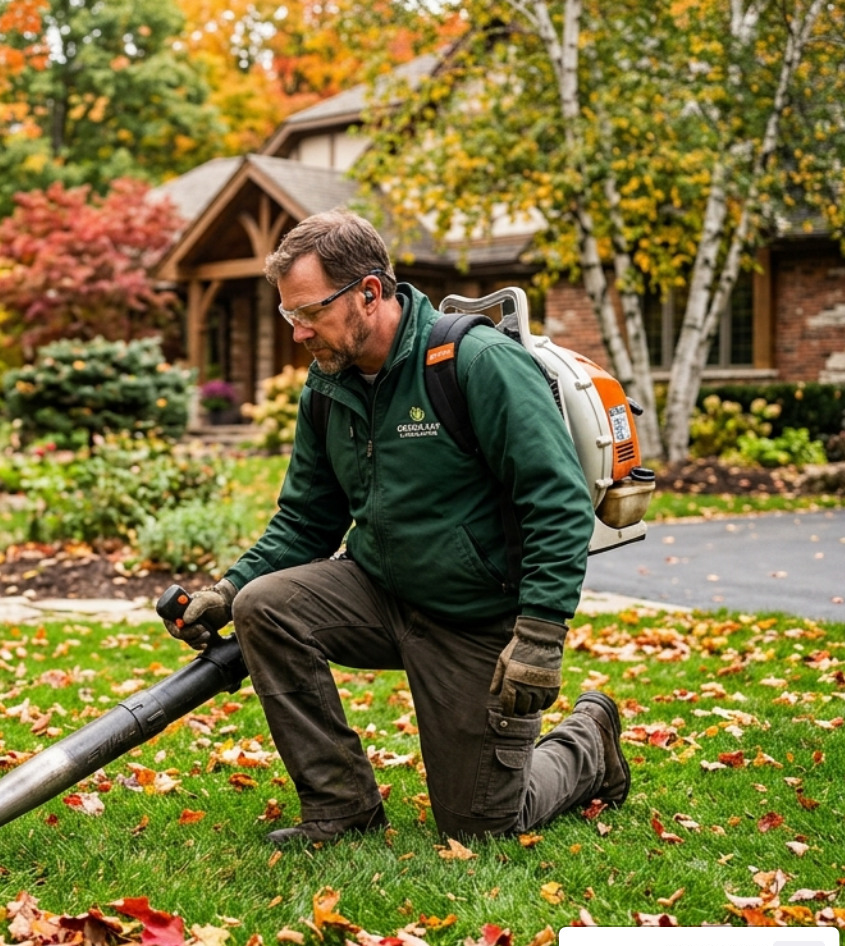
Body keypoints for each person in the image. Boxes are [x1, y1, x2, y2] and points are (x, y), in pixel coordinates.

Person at [167, 210, 631, 845]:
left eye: (309, 312)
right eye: (289, 315)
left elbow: (556, 500)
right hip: (380, 589)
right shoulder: (328, 383)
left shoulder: (476, 361)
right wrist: (228, 587)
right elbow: (308, 517)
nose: (298, 332)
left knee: (484, 826)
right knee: (265, 607)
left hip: (474, 617)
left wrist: (540, 636)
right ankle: (342, 807)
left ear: (368, 292)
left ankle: (589, 742)